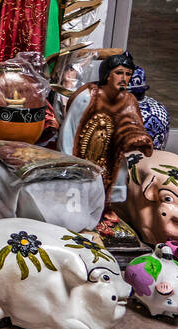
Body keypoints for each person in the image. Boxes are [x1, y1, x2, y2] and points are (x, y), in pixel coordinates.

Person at [59, 51, 155, 233]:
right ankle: (79, 212)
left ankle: (103, 210)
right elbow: (69, 128)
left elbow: (133, 124)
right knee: (80, 185)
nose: (124, 78)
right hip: (83, 151)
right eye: (119, 73)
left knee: (112, 178)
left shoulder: (128, 100)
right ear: (107, 74)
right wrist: (66, 159)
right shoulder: (88, 96)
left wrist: (136, 138)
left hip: (111, 152)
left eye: (128, 74)